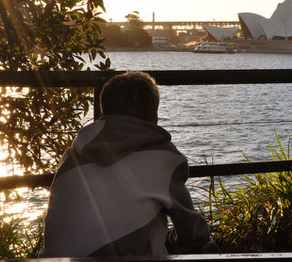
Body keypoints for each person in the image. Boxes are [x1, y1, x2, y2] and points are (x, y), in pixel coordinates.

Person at [40, 71, 215, 257]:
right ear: (154, 119)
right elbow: (194, 235)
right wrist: (169, 240)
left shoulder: (72, 155)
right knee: (208, 249)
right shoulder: (163, 157)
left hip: (55, 260)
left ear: (103, 113)